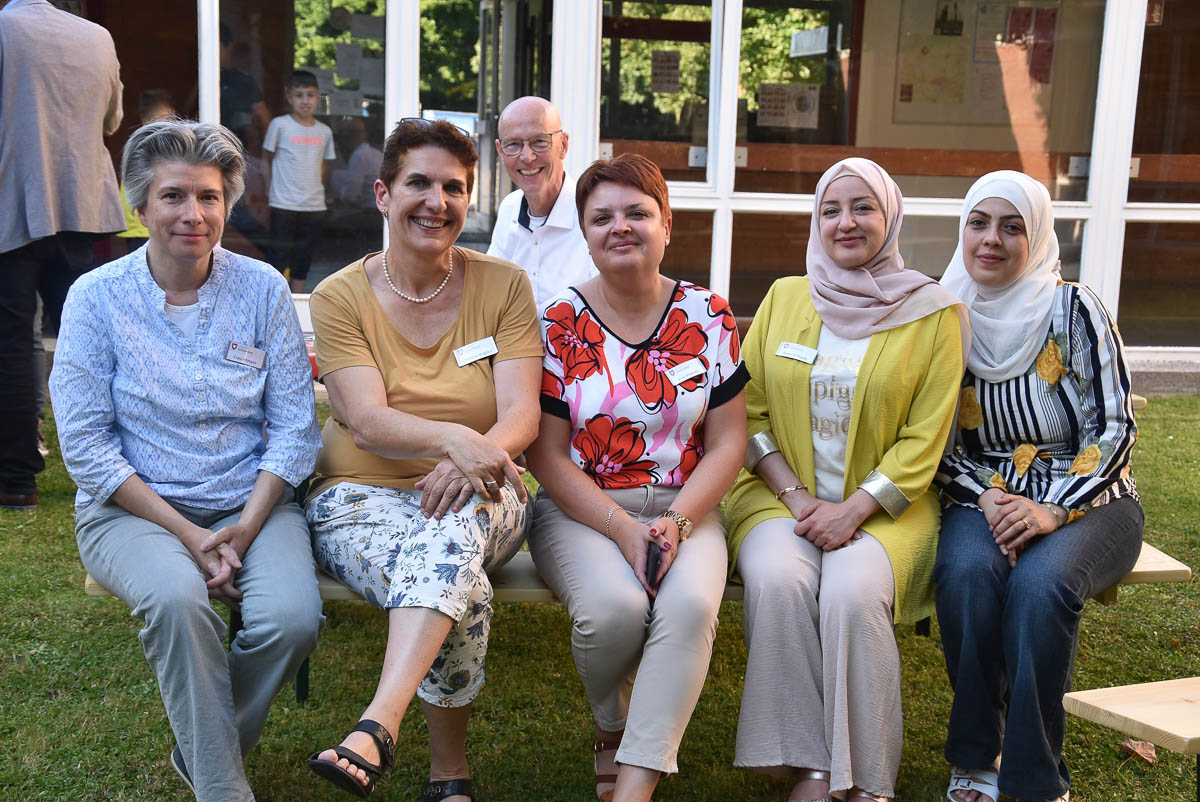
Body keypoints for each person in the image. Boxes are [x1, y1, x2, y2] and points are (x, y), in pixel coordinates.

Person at [49, 120, 323, 802]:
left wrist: (245, 528)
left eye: (209, 196)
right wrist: (191, 536)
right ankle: (222, 786)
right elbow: (86, 449)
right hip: (131, 510)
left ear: (227, 204)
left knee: (291, 620)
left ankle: (200, 746)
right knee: (178, 600)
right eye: (173, 196)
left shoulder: (263, 289)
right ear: (141, 206)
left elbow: (295, 429)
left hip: (252, 504)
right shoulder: (95, 298)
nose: (193, 214)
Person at [304, 118, 541, 801]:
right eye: (418, 183)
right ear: (383, 194)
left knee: (455, 523)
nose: (436, 201)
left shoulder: (505, 286)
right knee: (459, 583)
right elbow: (366, 419)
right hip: (357, 496)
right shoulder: (339, 296)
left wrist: (471, 460)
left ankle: (378, 724)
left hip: (487, 491)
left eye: (453, 187)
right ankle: (448, 774)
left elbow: (521, 415)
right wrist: (456, 441)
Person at [723, 157, 966, 802]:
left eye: (863, 207)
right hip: (779, 496)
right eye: (830, 210)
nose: (846, 222)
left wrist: (853, 509)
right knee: (779, 580)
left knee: (852, 595)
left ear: (891, 217)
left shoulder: (935, 313)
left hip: (888, 506)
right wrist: (798, 497)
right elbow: (747, 411)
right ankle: (806, 764)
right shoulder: (785, 298)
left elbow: (925, 438)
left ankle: (862, 776)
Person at [526, 153, 749, 802]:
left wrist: (677, 521)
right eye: (602, 218)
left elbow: (728, 442)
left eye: (637, 213)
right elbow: (546, 456)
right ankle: (611, 724)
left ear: (666, 224)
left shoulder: (709, 315)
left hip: (687, 505)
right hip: (582, 509)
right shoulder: (557, 323)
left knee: (689, 606)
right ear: (585, 233)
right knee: (614, 613)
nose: (620, 227)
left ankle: (635, 784)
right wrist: (623, 529)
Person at [934, 171, 1143, 802]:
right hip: (985, 493)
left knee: (1040, 587)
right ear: (962, 230)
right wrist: (985, 495)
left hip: (1090, 497)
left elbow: (1115, 427)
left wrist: (1053, 509)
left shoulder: (1074, 309)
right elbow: (929, 437)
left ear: (1039, 236)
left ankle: (1033, 779)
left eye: (1012, 227)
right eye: (979, 223)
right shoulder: (943, 313)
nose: (991, 240)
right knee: (967, 576)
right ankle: (977, 756)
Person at [0, 0, 124, 509]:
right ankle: (123, 468)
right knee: (96, 343)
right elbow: (113, 120)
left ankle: (16, 480)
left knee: (11, 341)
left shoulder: (4, 29)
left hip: (14, 200)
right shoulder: (97, 37)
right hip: (82, 203)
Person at [487, 96, 598, 307]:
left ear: (563, 145)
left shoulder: (594, 214)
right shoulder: (509, 208)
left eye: (539, 141)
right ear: (500, 150)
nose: (527, 157)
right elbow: (491, 289)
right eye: (513, 144)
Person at [264, 69, 335, 292]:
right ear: (289, 97)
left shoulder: (324, 131)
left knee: (303, 259)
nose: (305, 101)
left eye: (310, 95)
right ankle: (275, 302)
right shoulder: (279, 125)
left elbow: (323, 165)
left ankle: (298, 300)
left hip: (313, 206)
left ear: (318, 97)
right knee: (278, 257)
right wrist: (268, 192)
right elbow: (267, 159)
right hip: (283, 203)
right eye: (299, 95)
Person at [118, 89, 177, 253]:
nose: (169, 124)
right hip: (140, 217)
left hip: (145, 215)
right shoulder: (146, 143)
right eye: (163, 119)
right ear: (144, 120)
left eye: (172, 119)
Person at [331, 116, 384, 208]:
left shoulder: (359, 155)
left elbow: (351, 190)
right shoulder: (377, 153)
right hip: (380, 205)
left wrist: (340, 200)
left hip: (370, 208)